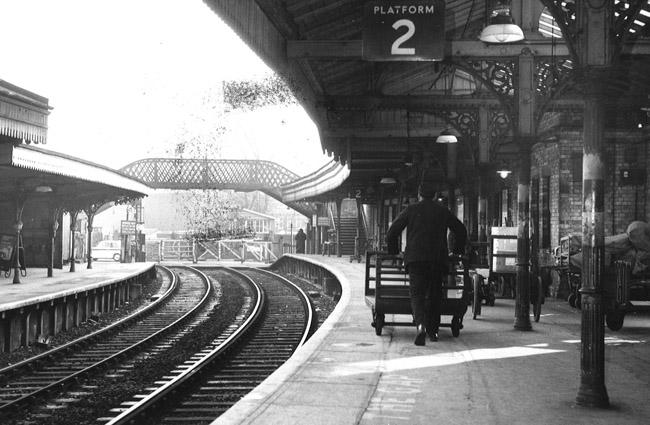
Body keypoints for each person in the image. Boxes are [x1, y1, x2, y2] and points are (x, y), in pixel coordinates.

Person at [386, 176, 467, 346]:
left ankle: (421, 325)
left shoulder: (411, 209)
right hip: (438, 260)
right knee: (435, 295)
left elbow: (392, 232)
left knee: (417, 295)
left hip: (415, 260)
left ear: (419, 194)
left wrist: (394, 253)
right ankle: (433, 331)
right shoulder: (442, 210)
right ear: (435, 194)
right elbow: (460, 230)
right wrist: (457, 251)